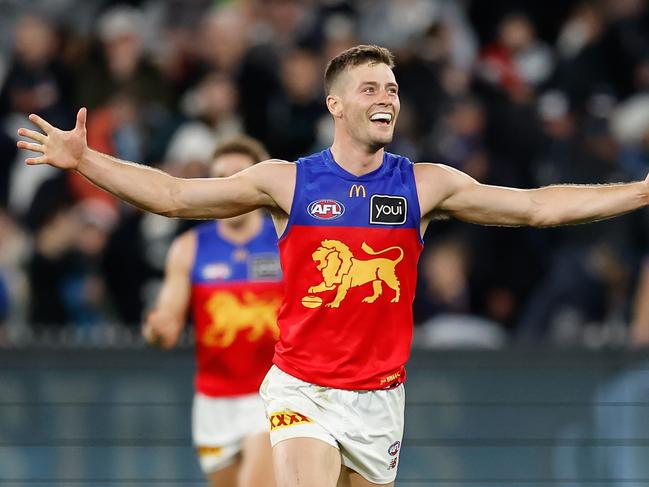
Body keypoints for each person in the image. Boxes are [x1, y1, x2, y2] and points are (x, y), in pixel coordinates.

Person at [17, 44, 649, 487]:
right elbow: (177, 198)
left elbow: (539, 208)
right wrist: (88, 162)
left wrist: (642, 190)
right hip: (303, 389)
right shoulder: (286, 183)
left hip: (380, 399)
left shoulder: (424, 187)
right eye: (370, 88)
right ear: (335, 106)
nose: (387, 98)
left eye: (393, 89)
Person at [141, 136, 281, 487]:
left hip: (272, 395)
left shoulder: (285, 243)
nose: (228, 186)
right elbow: (166, 324)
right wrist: (156, 331)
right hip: (213, 400)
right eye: (219, 177)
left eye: (237, 176)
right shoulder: (189, 247)